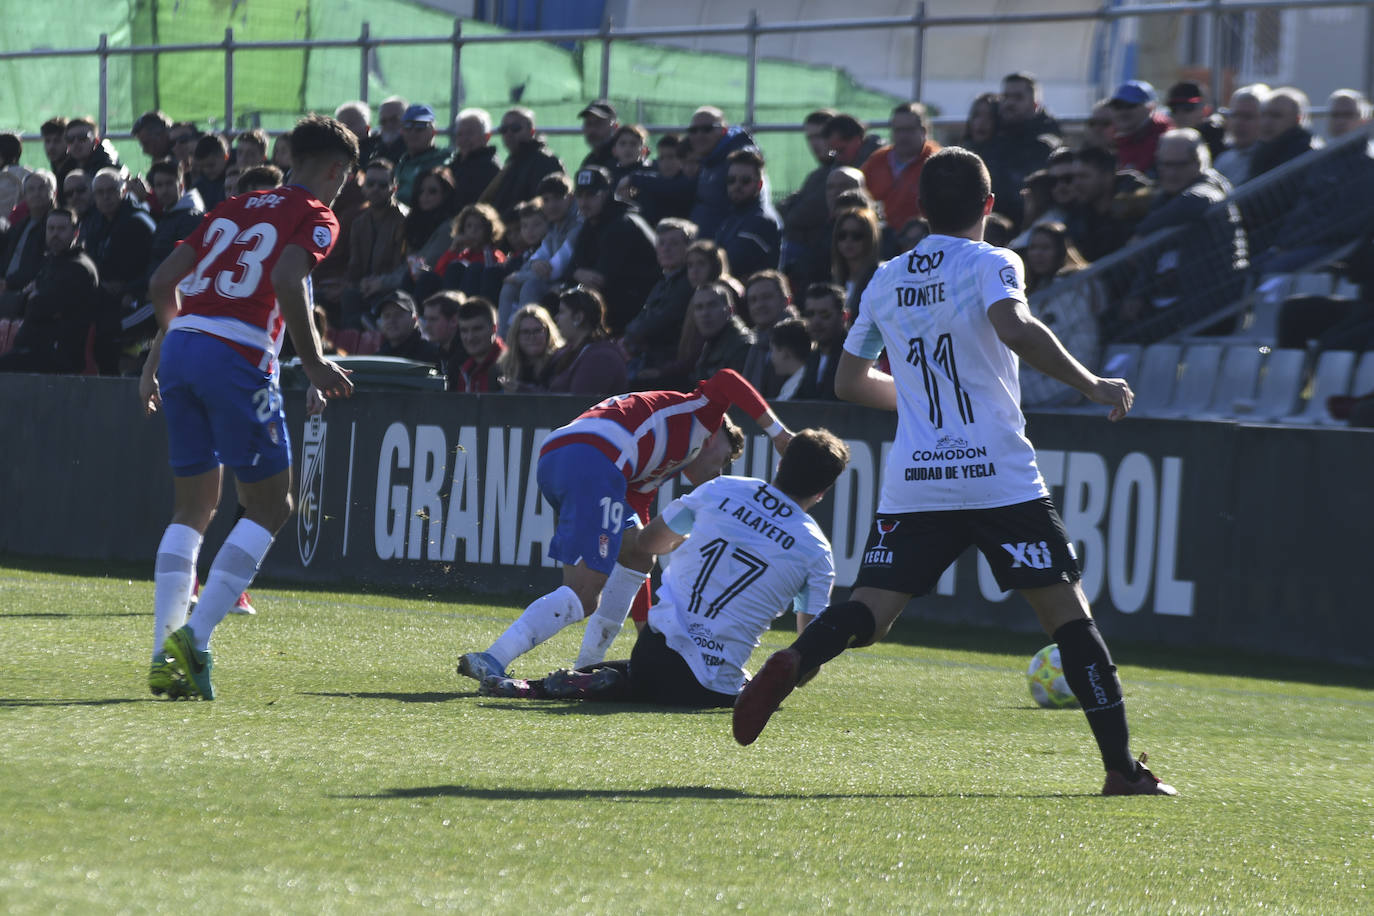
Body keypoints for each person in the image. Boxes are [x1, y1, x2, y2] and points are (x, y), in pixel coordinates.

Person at [732, 146, 1176, 798]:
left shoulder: (885, 277)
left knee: (872, 613)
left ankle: (799, 658)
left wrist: (911, 397)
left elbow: (851, 381)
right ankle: (1120, 769)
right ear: (990, 207)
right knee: (1070, 620)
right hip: (999, 477)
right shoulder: (994, 260)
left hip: (920, 478)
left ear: (919, 208)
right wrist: (1092, 385)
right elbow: (1016, 327)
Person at [137, 114, 359, 701]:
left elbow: (163, 283)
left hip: (182, 349)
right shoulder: (316, 214)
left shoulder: (232, 206)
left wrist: (167, 345)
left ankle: (164, 652)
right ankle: (197, 640)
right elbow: (288, 278)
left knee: (192, 508)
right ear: (335, 170)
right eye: (345, 180)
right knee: (270, 505)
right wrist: (312, 361)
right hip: (236, 356)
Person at [456, 367, 794, 683]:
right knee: (585, 596)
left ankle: (587, 667)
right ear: (716, 434)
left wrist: (644, 630)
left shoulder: (653, 468)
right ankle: (494, 658)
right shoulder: (703, 415)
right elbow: (728, 378)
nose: (719, 471)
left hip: (560, 456)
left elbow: (639, 552)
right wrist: (778, 434)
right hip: (596, 460)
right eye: (723, 459)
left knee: (634, 554)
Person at [480, 429, 848, 706]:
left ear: (781, 464)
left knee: (646, 672)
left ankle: (547, 684)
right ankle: (605, 684)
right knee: (732, 683)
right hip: (707, 684)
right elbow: (806, 659)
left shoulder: (721, 490)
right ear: (823, 492)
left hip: (653, 649)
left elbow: (647, 544)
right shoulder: (816, 551)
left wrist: (695, 542)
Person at [0, 207, 99, 374]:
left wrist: (31, 297)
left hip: (56, 354)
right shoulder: (51, 262)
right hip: (32, 349)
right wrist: (30, 297)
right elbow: (31, 301)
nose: (55, 234)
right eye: (51, 228)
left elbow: (37, 308)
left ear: (75, 232)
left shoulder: (78, 267)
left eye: (61, 229)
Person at [567, 165, 659, 335]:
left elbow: (599, 280)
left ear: (606, 194)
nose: (584, 202)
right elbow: (572, 265)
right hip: (619, 298)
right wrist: (576, 273)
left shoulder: (622, 223)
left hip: (640, 306)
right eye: (580, 196)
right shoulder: (593, 221)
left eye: (591, 195)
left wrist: (577, 273)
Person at [496, 172, 581, 334]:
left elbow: (556, 269)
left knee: (530, 285)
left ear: (570, 198)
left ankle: (523, 337)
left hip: (569, 283)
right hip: (555, 281)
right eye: (546, 200)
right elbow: (538, 256)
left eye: (557, 198)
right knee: (509, 287)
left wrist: (519, 276)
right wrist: (534, 264)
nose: (551, 205)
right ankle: (504, 341)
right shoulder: (555, 225)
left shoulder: (577, 224)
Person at [623, 216, 696, 389]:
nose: (666, 249)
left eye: (674, 243)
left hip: (669, 364)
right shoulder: (662, 282)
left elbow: (662, 321)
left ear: (688, 248)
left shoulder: (688, 283)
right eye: (661, 243)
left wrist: (630, 336)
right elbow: (643, 316)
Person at [339, 157, 407, 329]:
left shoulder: (404, 220)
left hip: (391, 289)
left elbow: (406, 267)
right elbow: (355, 266)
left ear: (394, 188)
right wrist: (355, 283)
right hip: (365, 288)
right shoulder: (359, 222)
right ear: (364, 187)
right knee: (346, 296)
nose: (376, 189)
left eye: (383, 185)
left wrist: (380, 283)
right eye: (371, 184)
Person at [686, 106, 767, 237]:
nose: (699, 135)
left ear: (723, 131)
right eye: (693, 130)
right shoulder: (710, 159)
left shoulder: (740, 158)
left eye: (707, 129)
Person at [862, 102, 940, 234]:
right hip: (879, 235)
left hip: (922, 237)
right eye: (898, 130)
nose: (903, 136)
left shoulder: (937, 161)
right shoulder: (877, 160)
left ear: (924, 130)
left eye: (909, 130)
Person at [481, 107, 565, 227]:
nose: (509, 134)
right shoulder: (512, 163)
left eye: (515, 128)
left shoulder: (545, 161)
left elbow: (548, 207)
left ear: (531, 131)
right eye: (504, 130)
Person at [544, 284, 626, 396]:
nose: (556, 318)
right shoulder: (569, 351)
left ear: (578, 317)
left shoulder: (600, 357)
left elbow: (579, 404)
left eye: (562, 312)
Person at [714, 149, 782, 281]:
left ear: (759, 185)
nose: (737, 185)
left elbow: (729, 265)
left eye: (745, 180)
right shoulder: (731, 218)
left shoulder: (762, 220)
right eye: (731, 180)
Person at [739, 269, 799, 398]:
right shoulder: (752, 344)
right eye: (753, 300)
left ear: (786, 300)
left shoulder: (800, 339)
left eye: (766, 297)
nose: (759, 305)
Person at [431, 202, 507, 302]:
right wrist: (453, 249)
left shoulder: (494, 255)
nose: (473, 231)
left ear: (488, 230)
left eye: (479, 227)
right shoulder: (462, 255)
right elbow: (438, 273)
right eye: (469, 226)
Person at [689, 280, 753, 383]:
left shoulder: (742, 347)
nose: (705, 313)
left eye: (712, 305)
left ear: (730, 310)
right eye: (699, 307)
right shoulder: (709, 344)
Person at [1249, 87, 1320, 178]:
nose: (1267, 122)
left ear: (1297, 120)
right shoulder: (1259, 149)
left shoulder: (1306, 155)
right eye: (1263, 115)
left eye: (1276, 116)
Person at [795, 281, 849, 400]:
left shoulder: (854, 358)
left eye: (825, 315)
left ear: (844, 317)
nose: (816, 321)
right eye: (810, 314)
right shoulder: (813, 357)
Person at [1109, 80, 1174, 176]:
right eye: (1117, 106)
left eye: (1130, 105)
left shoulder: (1165, 138)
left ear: (1151, 107)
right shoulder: (1111, 137)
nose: (1123, 111)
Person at [496, 302, 563, 392]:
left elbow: (555, 397)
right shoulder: (506, 365)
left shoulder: (560, 361)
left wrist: (522, 389)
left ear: (548, 333)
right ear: (516, 336)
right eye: (525, 332)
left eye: (537, 331)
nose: (532, 337)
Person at [394, 104, 451, 208]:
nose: (413, 132)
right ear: (401, 131)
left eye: (420, 127)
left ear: (434, 131)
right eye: (407, 126)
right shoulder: (401, 163)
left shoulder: (445, 161)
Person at [831, 205, 882, 319]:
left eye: (856, 235)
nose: (848, 241)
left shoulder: (880, 277)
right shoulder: (835, 278)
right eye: (842, 235)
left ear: (869, 238)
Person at [448, 295, 506, 393]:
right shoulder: (463, 369)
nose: (470, 337)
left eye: (477, 329)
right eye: (464, 330)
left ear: (494, 328)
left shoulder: (510, 367)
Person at [447, 108, 501, 208]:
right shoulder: (452, 165)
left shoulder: (489, 168)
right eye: (460, 134)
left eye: (470, 133)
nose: (464, 139)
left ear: (487, 136)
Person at [1166, 82, 1226, 161]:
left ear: (1205, 110)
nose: (1180, 114)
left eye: (1188, 108)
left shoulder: (1218, 140)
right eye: (1174, 109)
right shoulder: (1165, 141)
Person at [375, 288, 440, 362]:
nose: (391, 320)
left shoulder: (431, 354)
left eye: (398, 315)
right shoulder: (379, 357)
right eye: (387, 316)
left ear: (414, 320)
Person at [418, 289, 463, 380]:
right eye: (426, 319)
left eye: (433, 319)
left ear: (454, 320)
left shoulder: (467, 358)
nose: (427, 327)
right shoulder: (436, 355)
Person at [767, 318, 812, 400]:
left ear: (785, 352)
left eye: (773, 350)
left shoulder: (799, 386)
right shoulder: (793, 382)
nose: (771, 357)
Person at [578, 100, 620, 170]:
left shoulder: (625, 158)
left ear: (615, 127)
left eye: (599, 123)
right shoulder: (589, 161)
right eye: (588, 124)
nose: (592, 129)